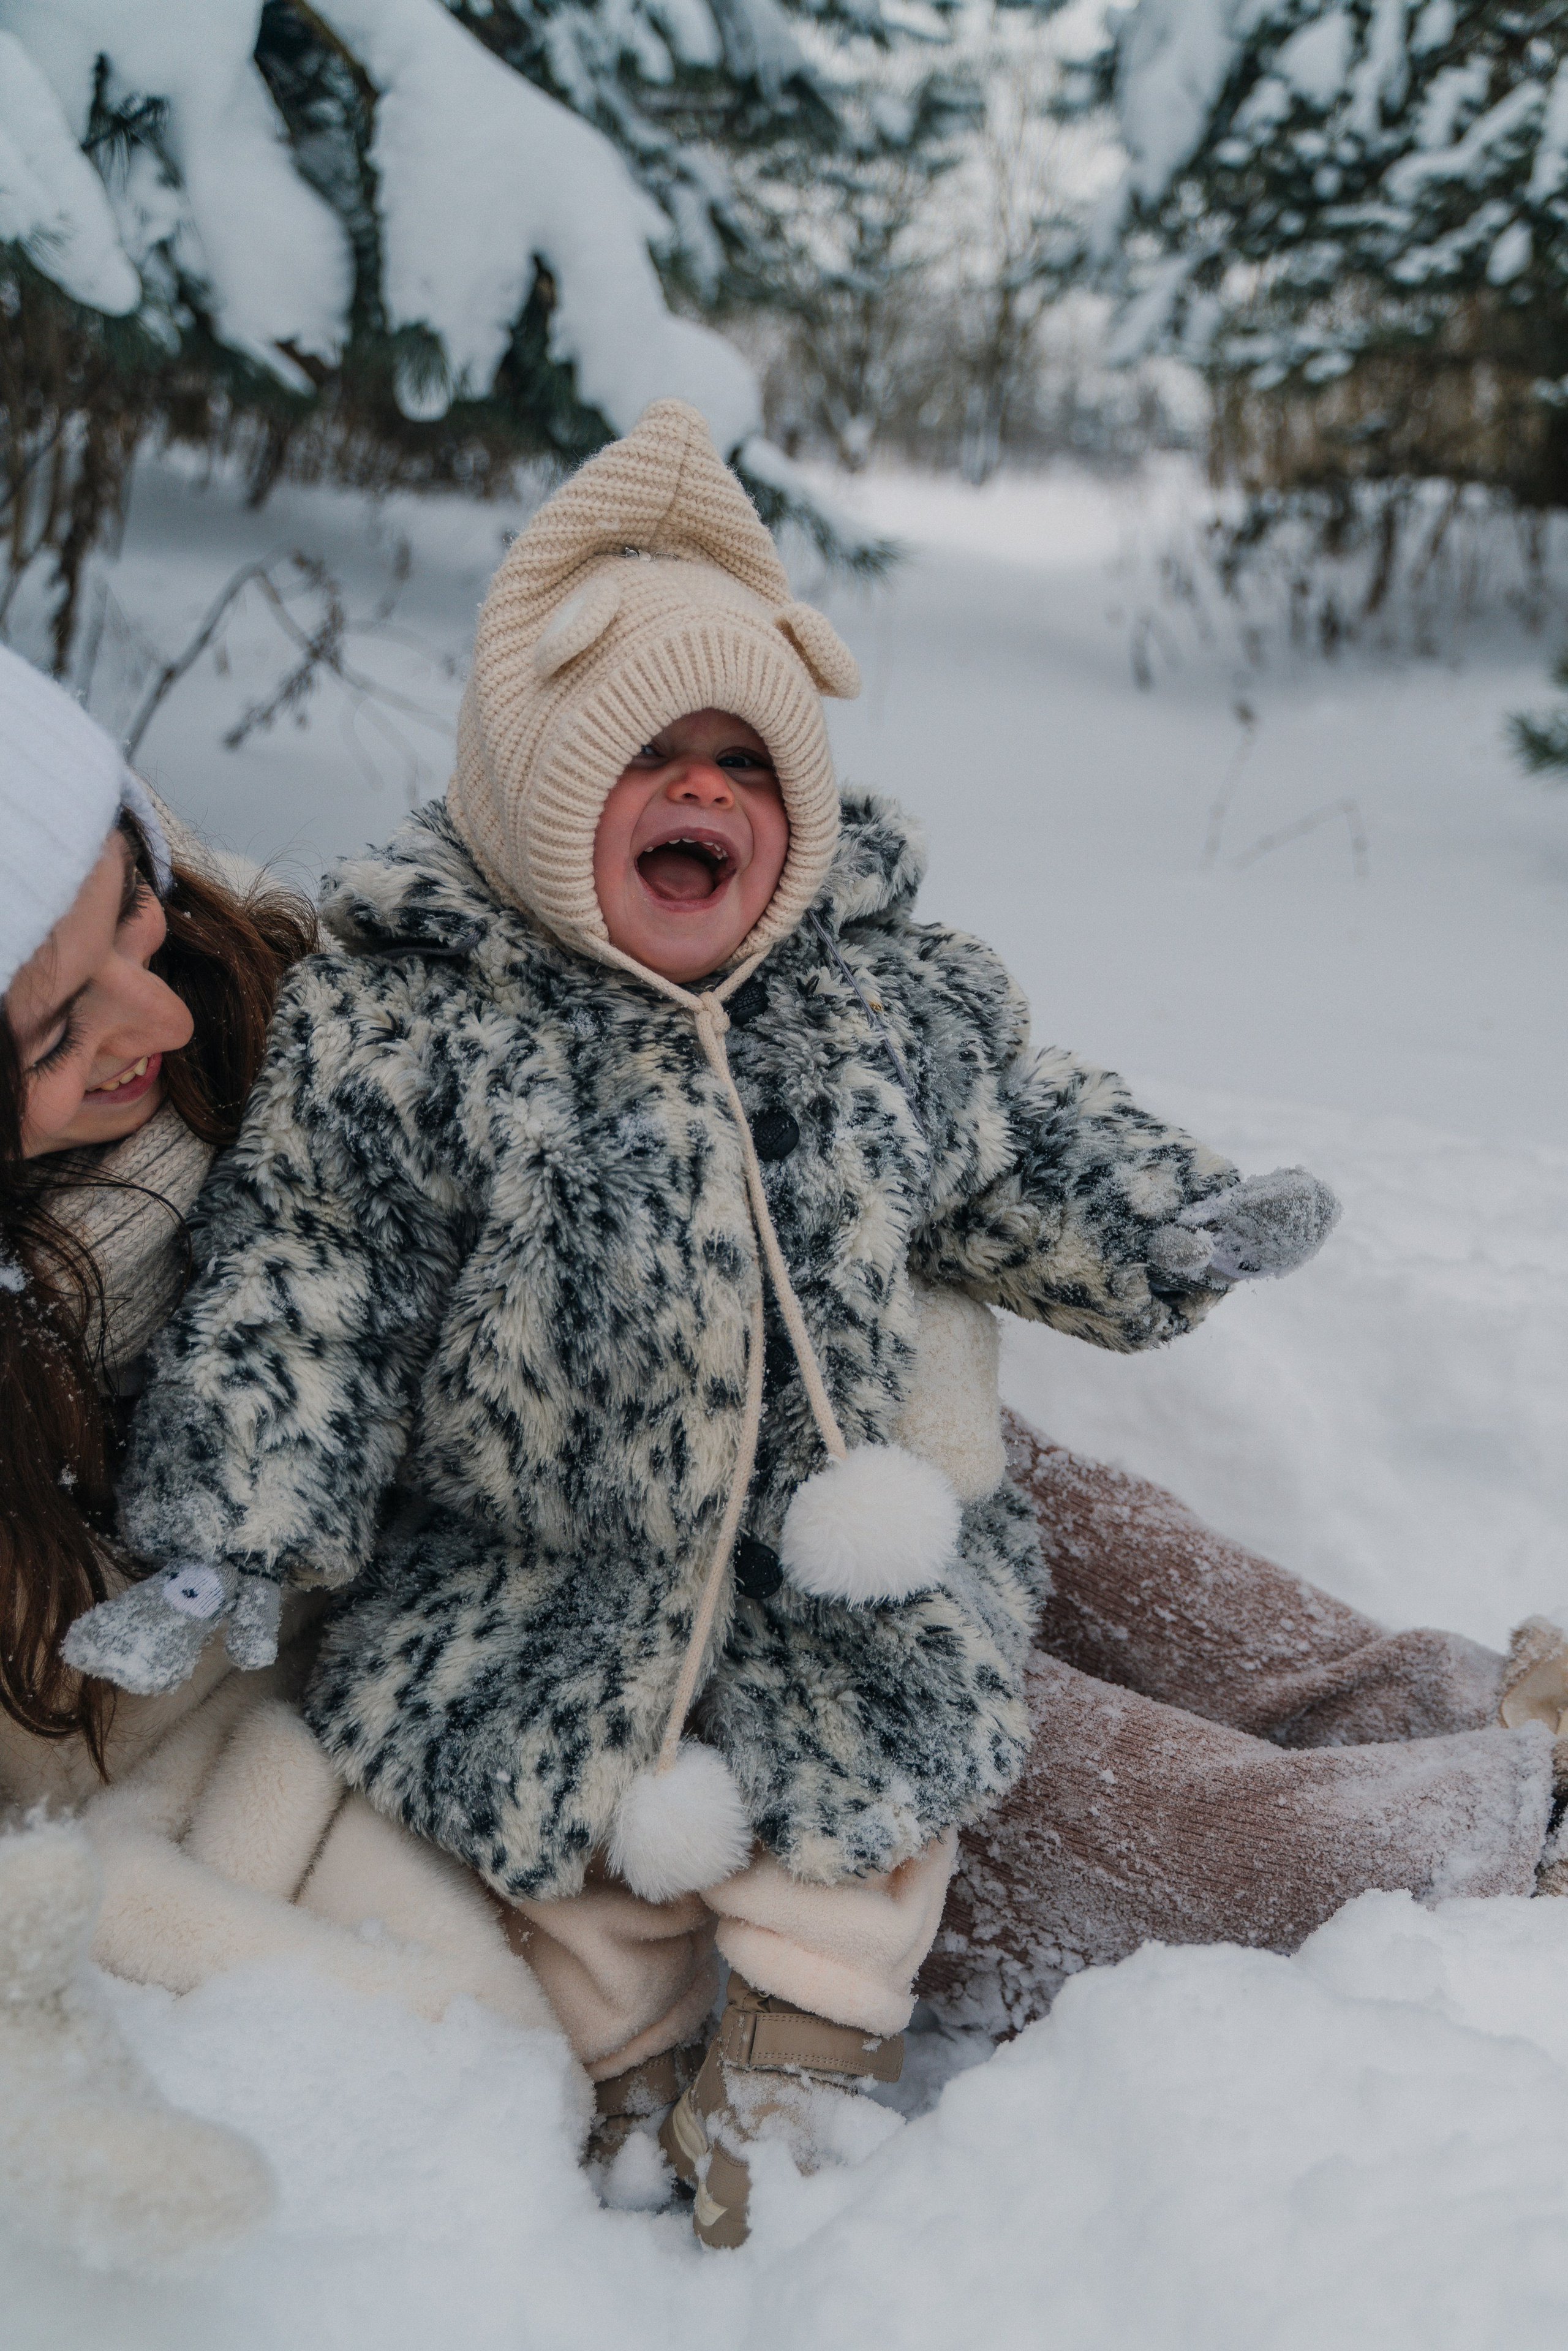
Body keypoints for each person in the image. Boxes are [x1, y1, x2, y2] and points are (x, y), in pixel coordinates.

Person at [72, 402, 1362, 2252]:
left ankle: (801, 2066)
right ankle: (614, 2080)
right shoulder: (408, 1032)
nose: (704, 793)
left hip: (837, 1565)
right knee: (552, 1861)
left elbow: (1020, 1129)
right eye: (644, 757)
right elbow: (309, 1279)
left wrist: (1169, 1218)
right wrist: (231, 1529)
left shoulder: (877, 1004)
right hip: (543, 1582)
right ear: (530, 797)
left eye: (746, 763)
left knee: (879, 1811)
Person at [0, 650, 556, 2274]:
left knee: (927, 1471)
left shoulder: (237, 958)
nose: (164, 1010)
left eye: (132, 910)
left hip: (547, 1433)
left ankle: (1343, 1710)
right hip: (377, 1668)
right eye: (56, 1029)